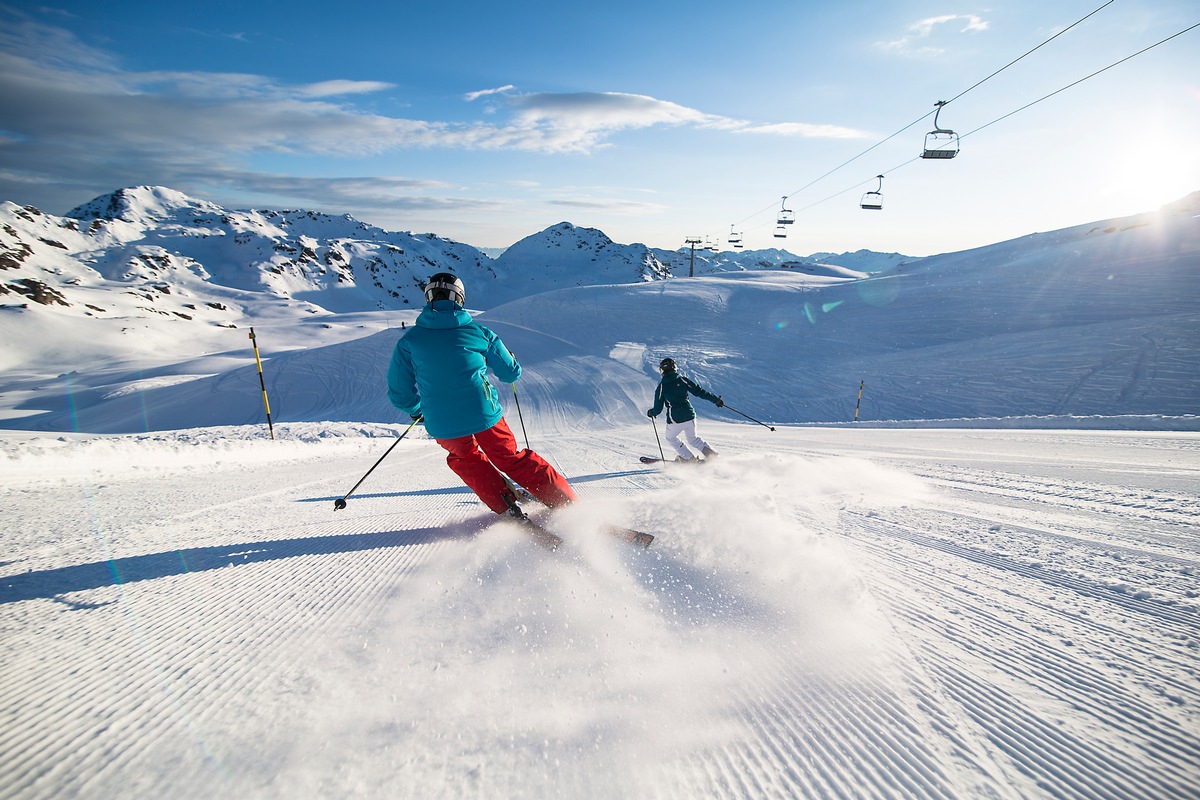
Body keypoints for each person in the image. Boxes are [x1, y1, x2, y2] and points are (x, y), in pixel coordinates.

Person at [387, 272, 577, 520]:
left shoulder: (409, 341)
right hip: (483, 411)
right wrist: (513, 362)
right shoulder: (479, 332)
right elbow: (510, 373)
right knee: (510, 458)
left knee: (467, 459)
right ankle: (565, 502)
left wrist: (417, 409)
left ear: (429, 298)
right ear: (460, 299)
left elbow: (400, 392)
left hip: (442, 421)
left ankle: (505, 507)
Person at [647, 357, 723, 461]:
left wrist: (652, 412)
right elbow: (699, 391)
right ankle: (712, 455)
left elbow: (658, 408)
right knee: (693, 439)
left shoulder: (662, 387)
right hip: (690, 416)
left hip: (675, 420)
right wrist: (716, 400)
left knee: (671, 438)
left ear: (663, 370)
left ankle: (689, 458)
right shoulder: (682, 380)